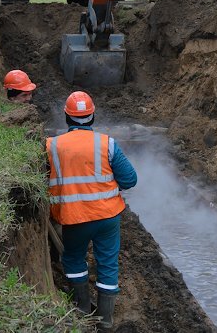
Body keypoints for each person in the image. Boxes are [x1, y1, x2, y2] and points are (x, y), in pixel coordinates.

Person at [46, 91, 137, 330]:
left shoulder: (52, 146)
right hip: (107, 217)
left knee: (74, 259)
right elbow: (129, 180)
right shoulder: (107, 143)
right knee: (107, 264)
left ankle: (83, 308)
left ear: (67, 117)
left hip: (73, 218)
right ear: (92, 116)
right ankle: (106, 322)